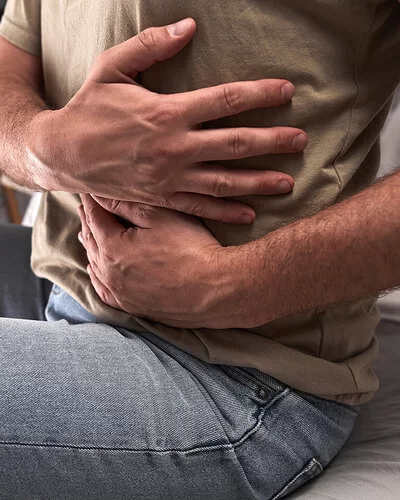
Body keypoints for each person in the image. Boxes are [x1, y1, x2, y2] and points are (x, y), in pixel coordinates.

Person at [0, 0, 400, 498]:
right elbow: (10, 59)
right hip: (64, 274)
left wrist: (230, 285)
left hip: (232, 375)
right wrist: (42, 147)